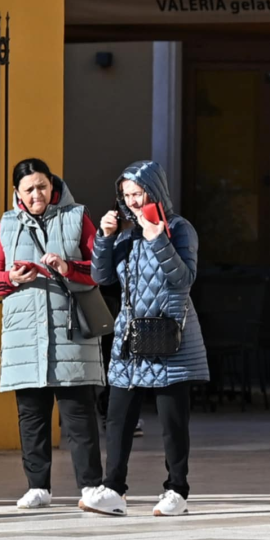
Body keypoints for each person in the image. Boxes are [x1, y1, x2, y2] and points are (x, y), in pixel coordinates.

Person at [81, 161, 209, 517]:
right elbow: (102, 278)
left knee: (172, 420)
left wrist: (158, 241)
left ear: (155, 191)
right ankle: (113, 488)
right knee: (118, 416)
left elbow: (183, 279)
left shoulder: (180, 230)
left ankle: (177, 490)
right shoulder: (125, 233)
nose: (133, 202)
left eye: (138, 193)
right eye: (126, 195)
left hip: (169, 337)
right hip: (129, 338)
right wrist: (104, 240)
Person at [0, 158, 105, 510]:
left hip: (71, 332)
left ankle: (91, 486)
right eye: (30, 189)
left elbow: (100, 269)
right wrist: (11, 279)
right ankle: (38, 487)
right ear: (17, 193)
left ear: (53, 185)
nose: (38, 194)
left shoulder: (77, 217)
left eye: (43, 186)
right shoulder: (7, 225)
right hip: (25, 336)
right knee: (31, 415)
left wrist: (68, 267)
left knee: (79, 414)